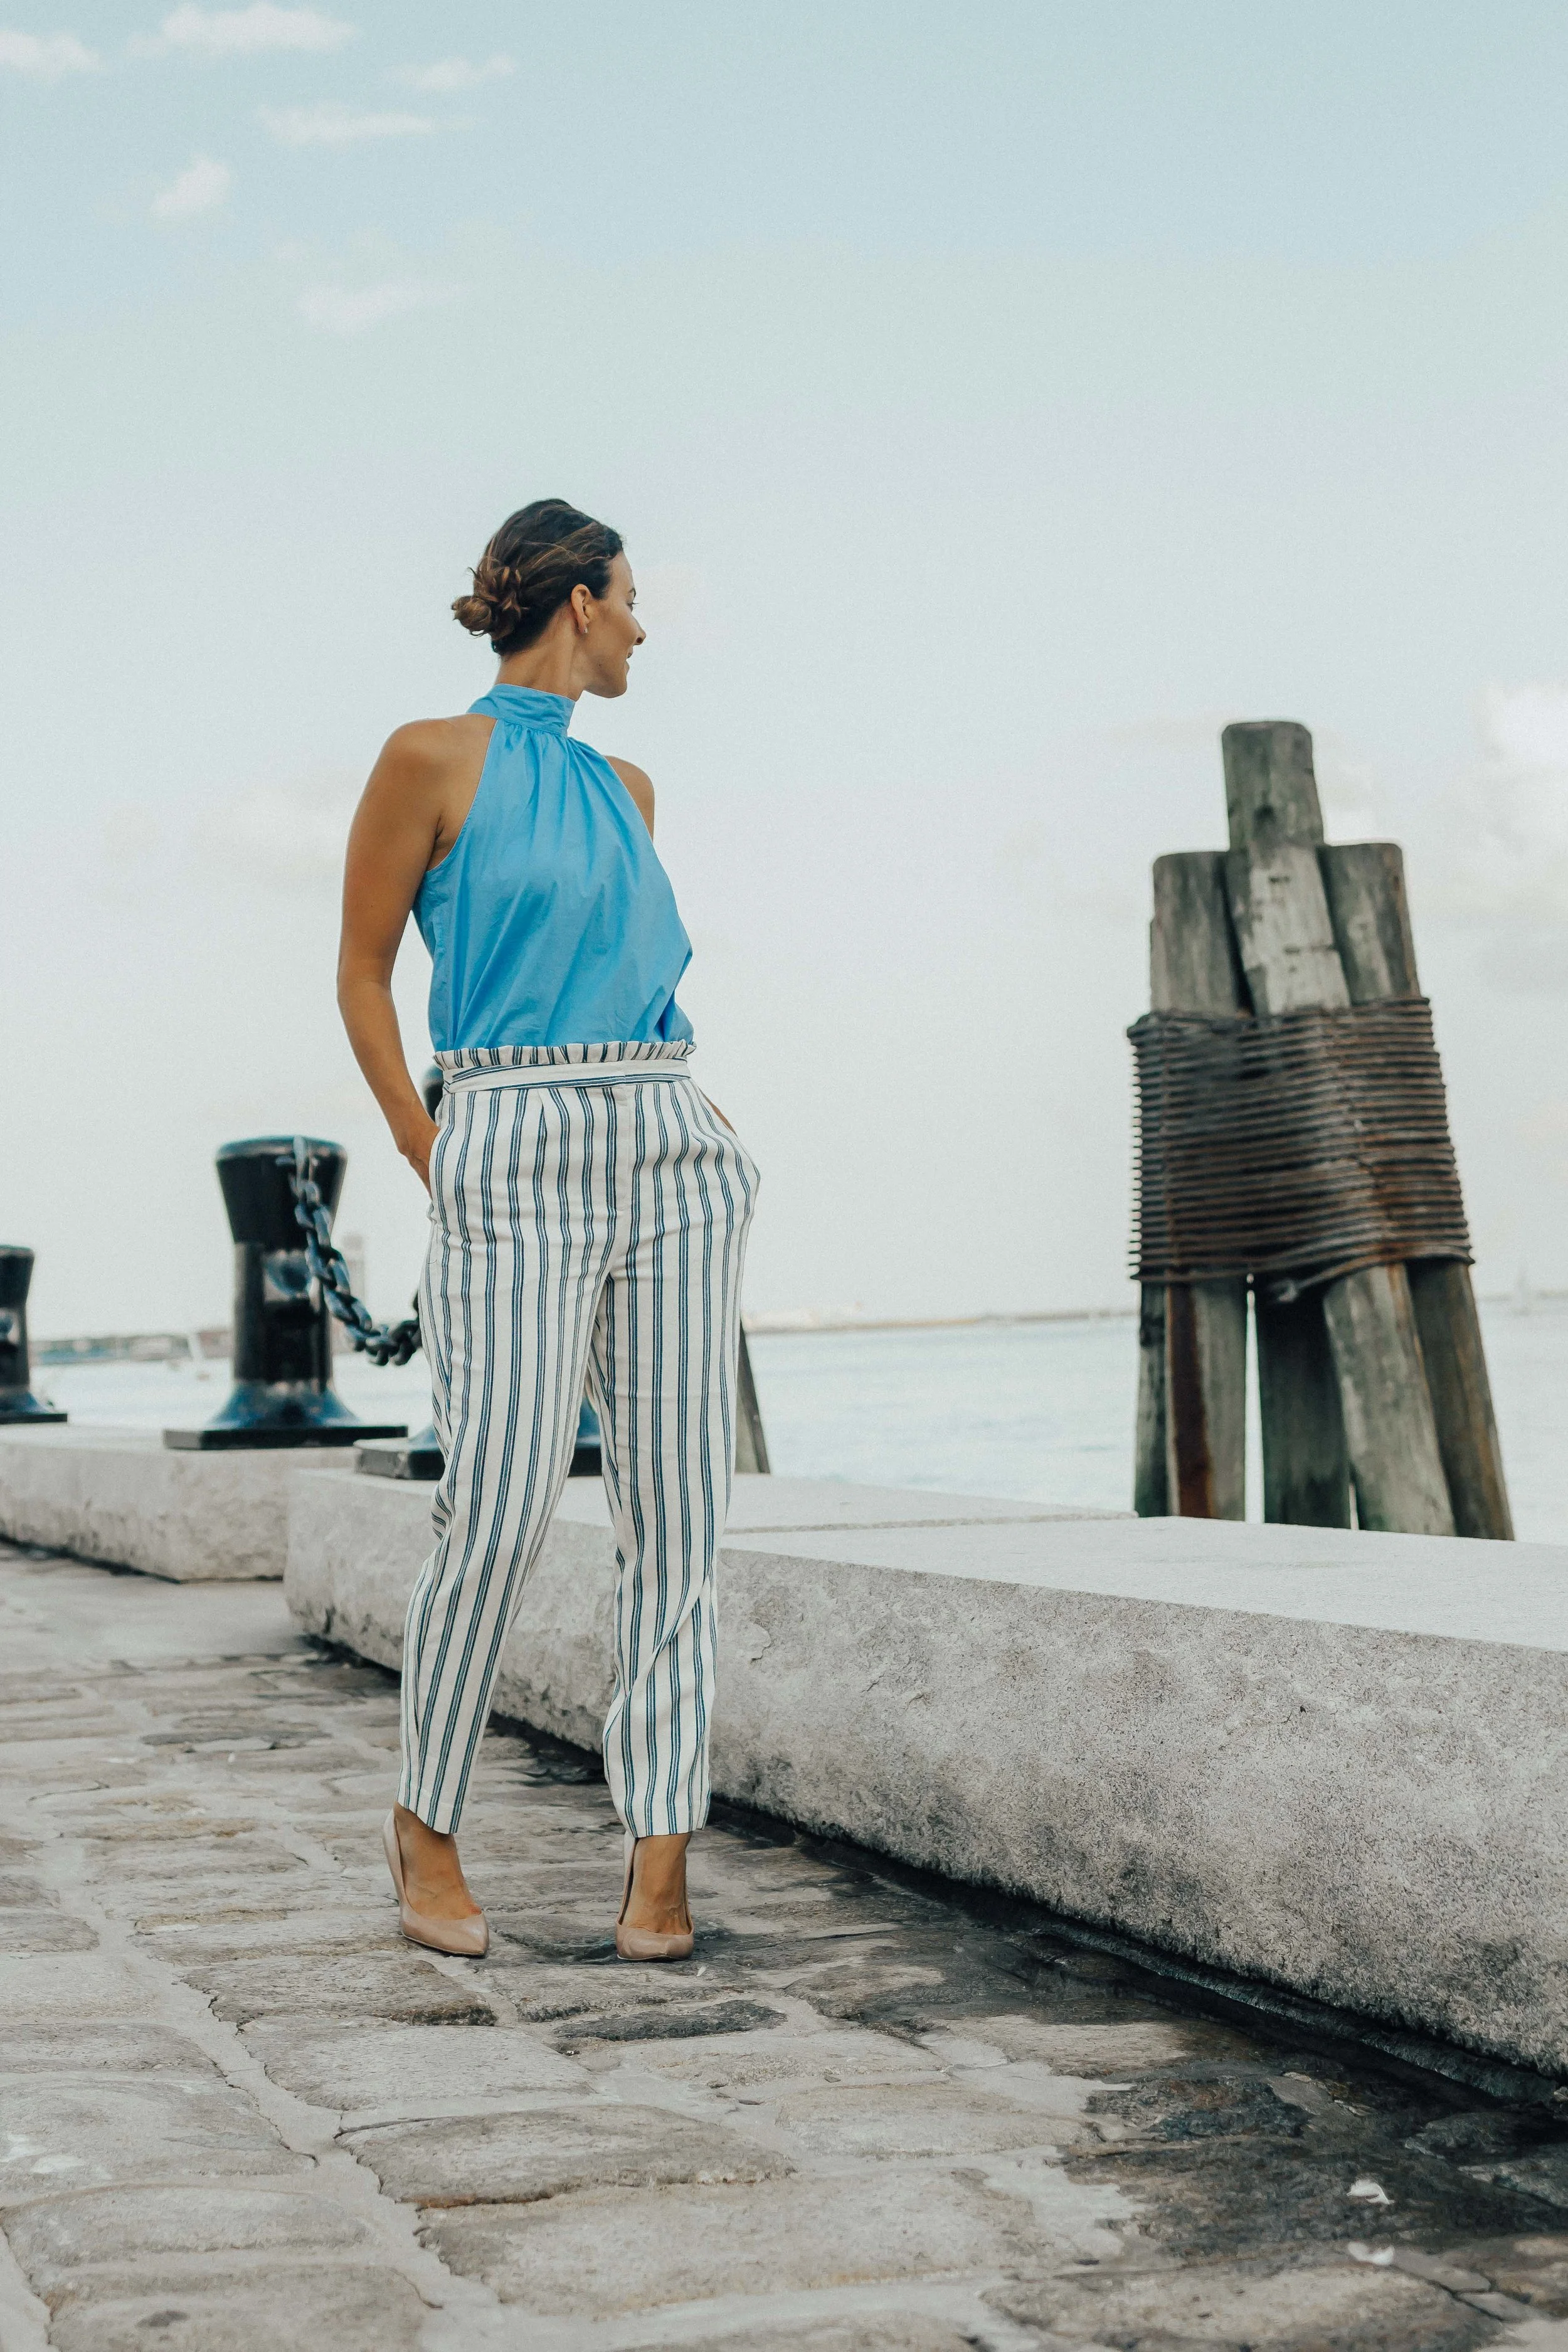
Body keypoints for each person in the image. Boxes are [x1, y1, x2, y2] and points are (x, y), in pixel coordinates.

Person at [337, 498, 758, 1963]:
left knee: (678, 1521)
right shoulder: (427, 757)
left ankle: (660, 1855)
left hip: (665, 1134)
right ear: (578, 602)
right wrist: (425, 1141)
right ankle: (424, 1825)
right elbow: (361, 971)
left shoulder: (628, 787)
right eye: (631, 600)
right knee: (499, 1506)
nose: (642, 629)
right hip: (505, 1133)